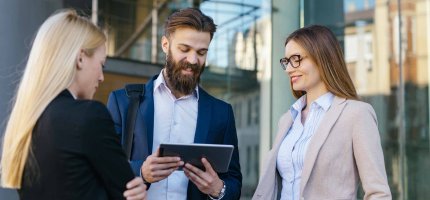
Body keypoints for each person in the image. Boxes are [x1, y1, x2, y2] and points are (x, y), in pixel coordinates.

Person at [0, 9, 147, 200]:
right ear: (80, 58)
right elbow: (128, 190)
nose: (102, 77)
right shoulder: (89, 115)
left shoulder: (26, 122)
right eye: (101, 65)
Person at [107, 8, 242, 200]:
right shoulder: (123, 102)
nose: (193, 60)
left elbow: (234, 184)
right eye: (184, 49)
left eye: (201, 52)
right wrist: (141, 172)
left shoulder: (222, 113)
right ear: (165, 44)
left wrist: (217, 188)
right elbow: (104, 168)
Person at [252, 25, 391, 200]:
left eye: (297, 59)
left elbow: (378, 193)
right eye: (286, 61)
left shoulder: (357, 114)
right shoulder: (287, 119)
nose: (288, 69)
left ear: (322, 57)